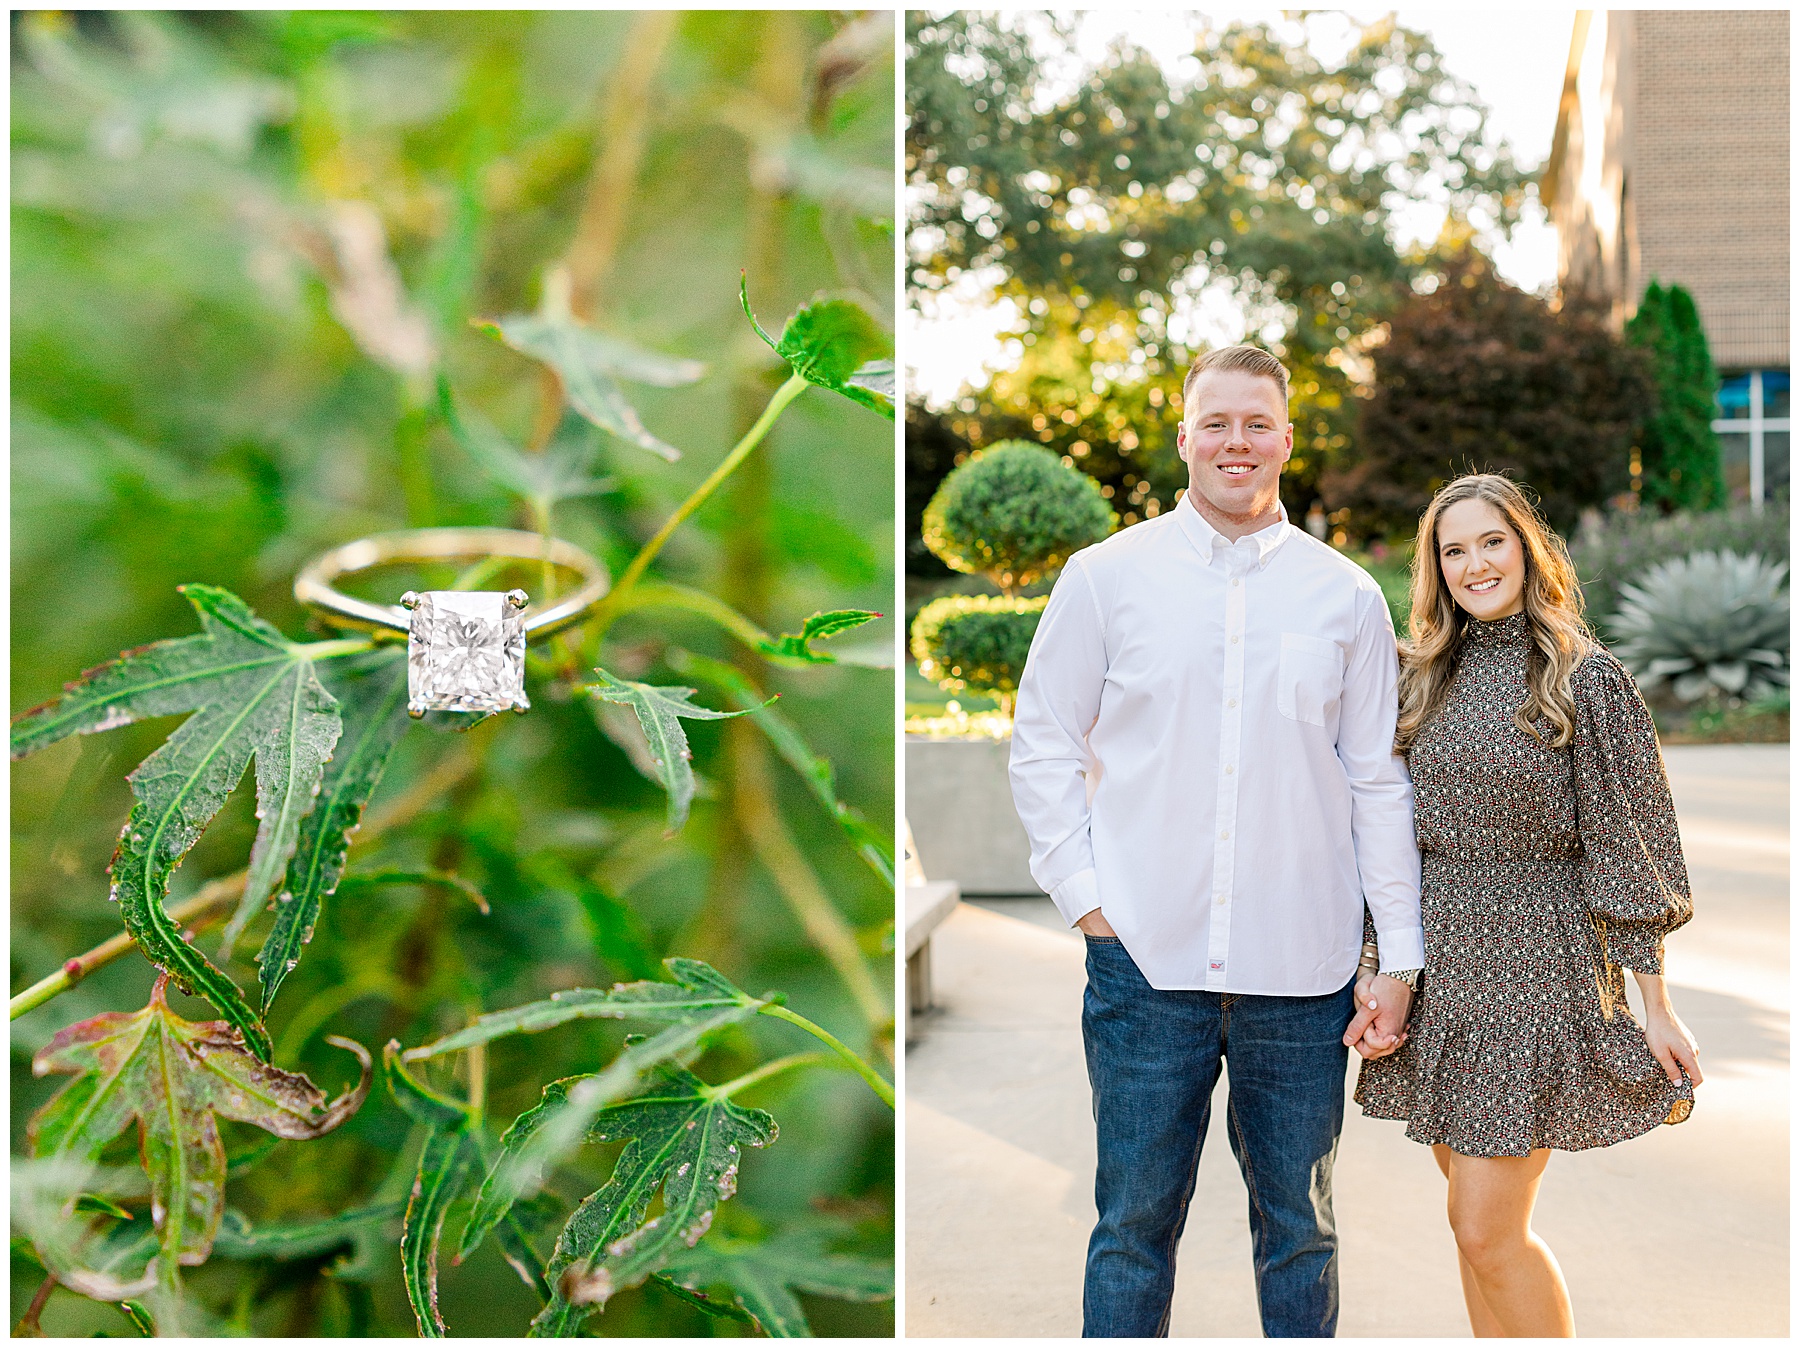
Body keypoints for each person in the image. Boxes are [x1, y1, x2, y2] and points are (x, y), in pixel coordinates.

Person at [1009, 344, 1423, 1338]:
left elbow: (1377, 781)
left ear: (1285, 438)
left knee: (1301, 1232)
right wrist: (1089, 903)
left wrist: (1398, 958)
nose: (1236, 440)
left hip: (1304, 974)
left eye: (1256, 422)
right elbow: (1043, 745)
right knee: (1131, 1230)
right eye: (1217, 421)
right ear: (1184, 436)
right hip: (1145, 965)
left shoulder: (1346, 597)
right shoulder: (1107, 579)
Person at [1353, 473, 1702, 1338]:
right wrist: (1380, 961)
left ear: (1527, 547)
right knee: (1471, 1233)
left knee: (1486, 1228)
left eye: (1492, 542)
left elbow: (1632, 847)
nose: (1476, 564)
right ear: (1436, 567)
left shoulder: (1586, 680)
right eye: (1454, 549)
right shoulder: (1421, 676)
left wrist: (1654, 1002)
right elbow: (1386, 831)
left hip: (1537, 970)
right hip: (1444, 970)